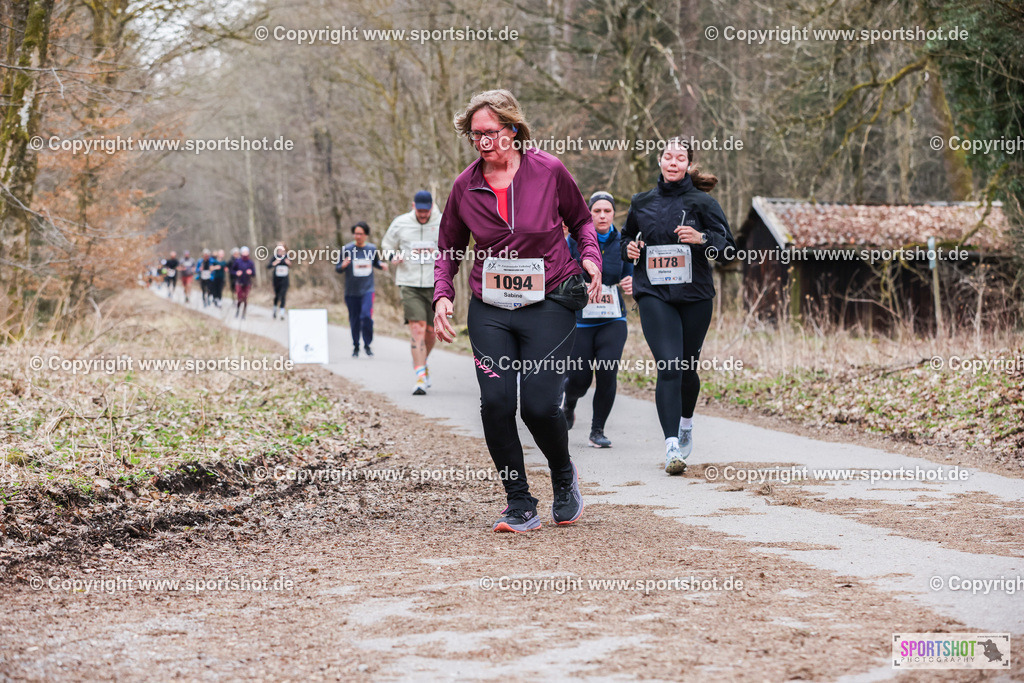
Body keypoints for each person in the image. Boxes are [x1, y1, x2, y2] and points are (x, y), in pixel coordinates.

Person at [433, 89, 602, 533]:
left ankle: (564, 477)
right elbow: (448, 247)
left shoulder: (548, 170)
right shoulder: (464, 185)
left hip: (548, 300)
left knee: (540, 406)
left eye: (491, 133)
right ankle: (519, 502)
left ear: (513, 129)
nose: (483, 142)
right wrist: (442, 293)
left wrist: (590, 257)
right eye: (475, 135)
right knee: (495, 403)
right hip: (491, 306)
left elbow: (583, 220)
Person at [622, 137, 736, 474]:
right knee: (669, 366)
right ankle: (672, 446)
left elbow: (729, 250)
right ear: (659, 161)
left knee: (687, 368)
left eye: (680, 158)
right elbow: (626, 238)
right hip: (654, 294)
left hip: (695, 296)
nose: (673, 162)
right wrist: (628, 248)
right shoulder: (640, 202)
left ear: (688, 164)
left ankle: (686, 422)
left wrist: (702, 240)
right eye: (668, 156)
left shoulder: (703, 202)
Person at [562, 191, 634, 449]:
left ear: (614, 213)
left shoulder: (623, 242)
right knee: (579, 379)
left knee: (607, 371)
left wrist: (631, 282)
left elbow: (630, 274)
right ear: (589, 214)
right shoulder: (575, 240)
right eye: (596, 211)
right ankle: (569, 404)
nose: (602, 215)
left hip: (613, 319)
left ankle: (597, 430)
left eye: (607, 211)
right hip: (581, 321)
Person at [381, 190, 442, 395]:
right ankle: (420, 378)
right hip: (409, 282)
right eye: (420, 210)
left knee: (431, 332)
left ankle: (422, 364)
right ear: (413, 205)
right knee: (417, 328)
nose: (423, 215)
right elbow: (387, 244)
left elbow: (453, 245)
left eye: (427, 211)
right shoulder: (401, 223)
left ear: (432, 206)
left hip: (436, 283)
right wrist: (392, 255)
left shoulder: (442, 221)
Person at [336, 222, 387, 357]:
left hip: (367, 290)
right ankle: (356, 345)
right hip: (351, 291)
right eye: (356, 233)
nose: (357, 236)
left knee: (366, 316)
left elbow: (375, 263)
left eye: (360, 234)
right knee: (354, 320)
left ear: (366, 235)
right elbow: (337, 268)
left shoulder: (372, 249)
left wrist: (382, 265)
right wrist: (343, 265)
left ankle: (368, 344)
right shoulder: (347, 249)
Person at [267, 242, 291, 319]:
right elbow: (268, 266)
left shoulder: (287, 256)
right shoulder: (275, 257)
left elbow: (291, 264)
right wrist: (274, 263)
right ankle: (274, 310)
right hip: (276, 279)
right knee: (277, 296)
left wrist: (288, 263)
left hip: (285, 279)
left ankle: (282, 313)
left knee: (283, 295)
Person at [233, 246, 255, 319]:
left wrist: (251, 272)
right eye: (244, 252)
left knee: (245, 298)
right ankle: (238, 310)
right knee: (239, 298)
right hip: (239, 282)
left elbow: (254, 274)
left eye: (246, 252)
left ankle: (243, 314)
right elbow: (232, 271)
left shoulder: (250, 262)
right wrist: (236, 272)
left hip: (247, 282)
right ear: (241, 253)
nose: (245, 253)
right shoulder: (237, 261)